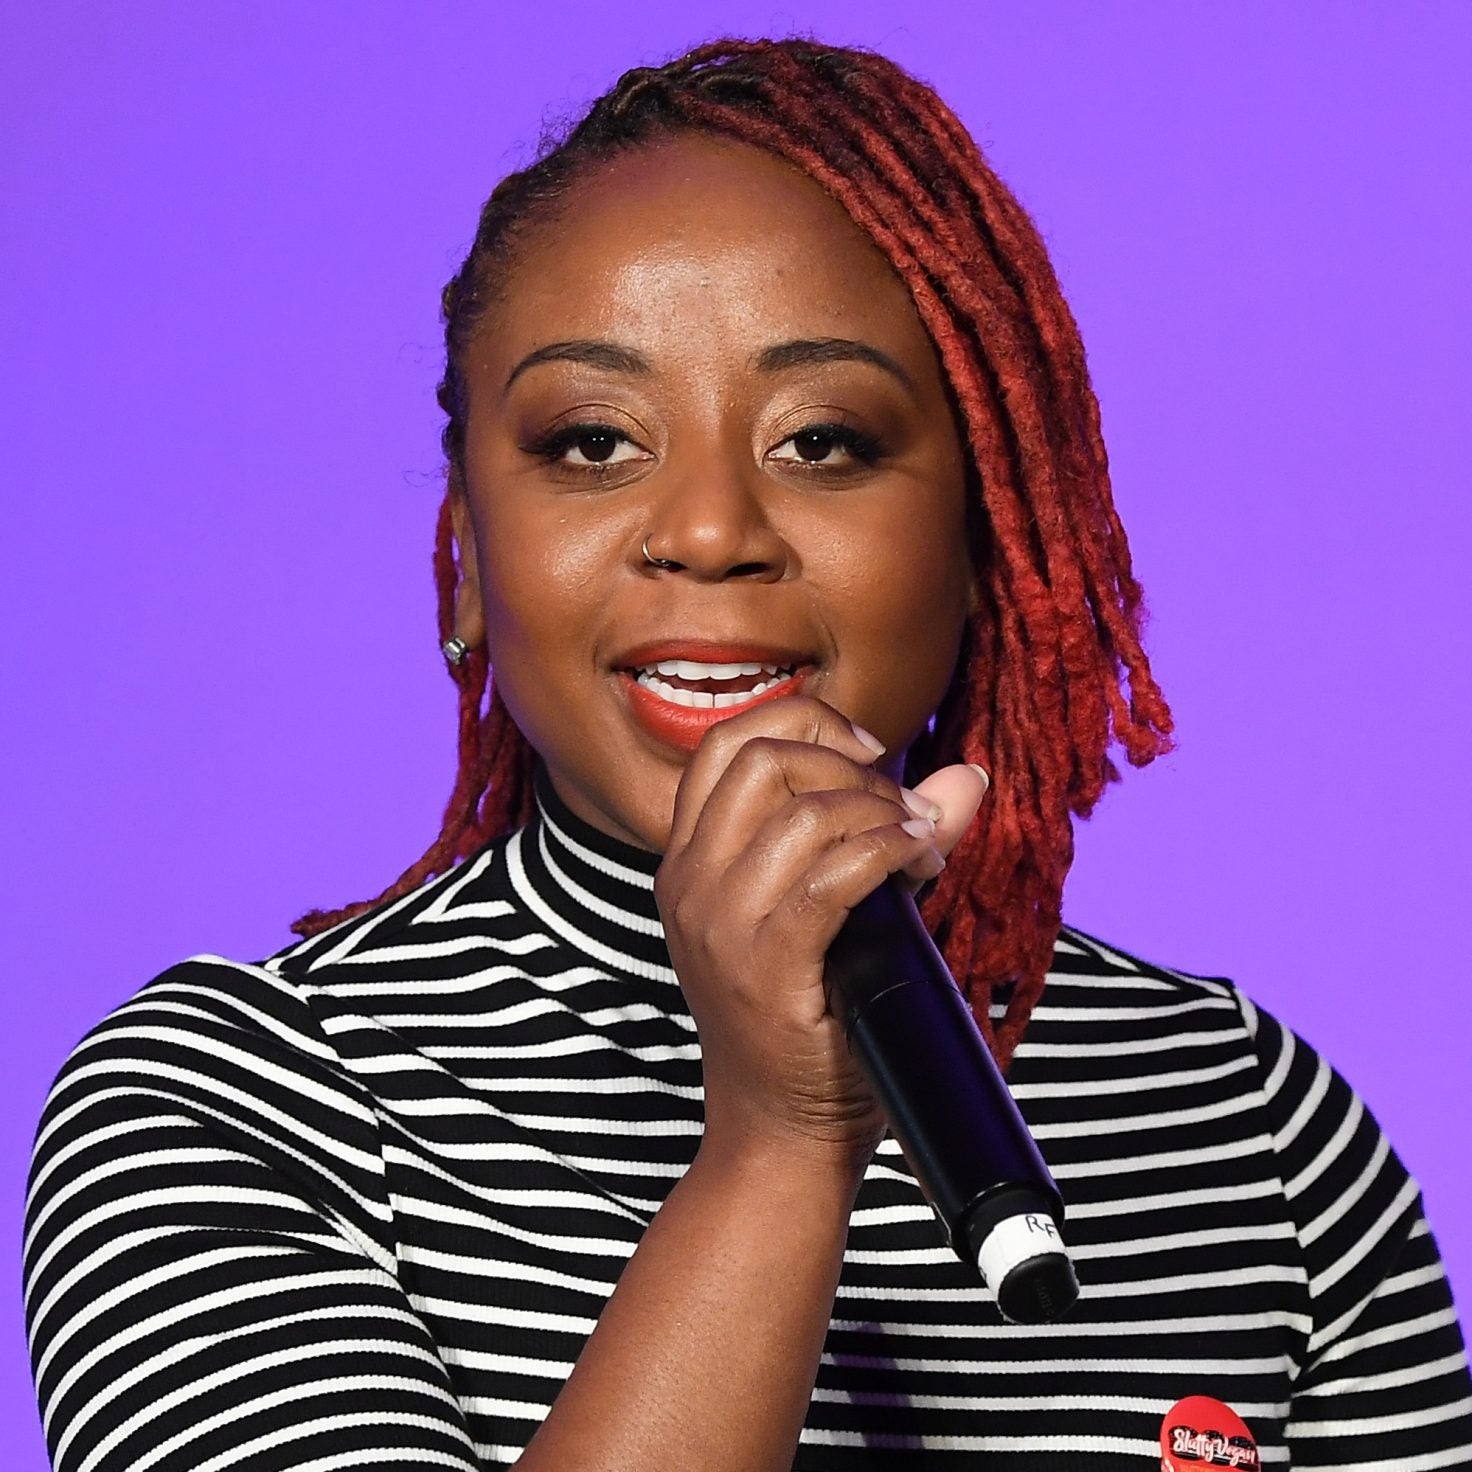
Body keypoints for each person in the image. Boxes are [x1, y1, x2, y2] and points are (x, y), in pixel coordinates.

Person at [23, 36, 1471, 1472]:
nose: (711, 532)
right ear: (465, 560)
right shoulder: (230, 1110)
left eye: (824, 441)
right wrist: (780, 1144)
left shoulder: (1254, 1124)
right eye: (593, 443)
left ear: (987, 544)